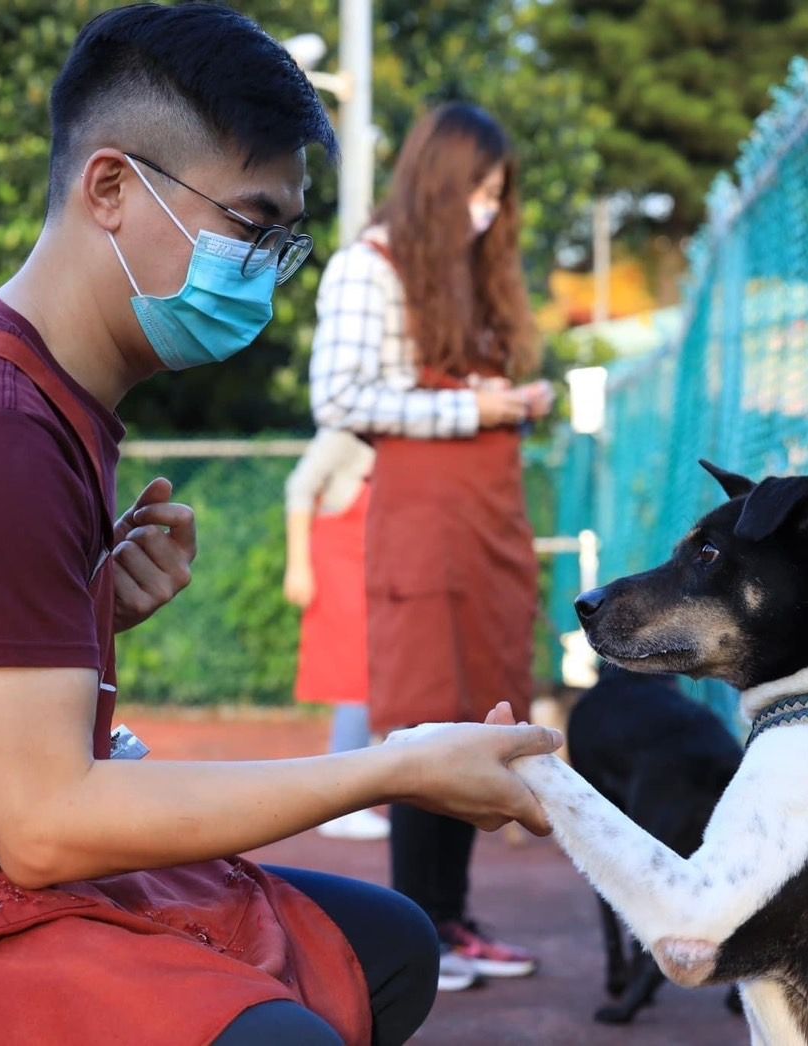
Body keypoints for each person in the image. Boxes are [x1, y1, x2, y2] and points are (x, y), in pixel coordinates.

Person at [0, 8, 560, 1045]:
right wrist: (393, 765)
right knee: (280, 1030)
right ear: (110, 187)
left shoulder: (32, 392)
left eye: (284, 239)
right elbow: (48, 823)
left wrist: (88, 607)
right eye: (249, 224)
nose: (265, 269)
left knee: (382, 943)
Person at [310, 103, 555, 995]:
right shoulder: (368, 268)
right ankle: (419, 928)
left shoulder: (469, 276)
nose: (488, 211)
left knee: (482, 708)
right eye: (477, 191)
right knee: (425, 712)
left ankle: (451, 918)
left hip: (486, 522)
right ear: (439, 182)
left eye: (499, 196)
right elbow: (339, 396)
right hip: (420, 522)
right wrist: (472, 408)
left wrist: (510, 398)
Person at [283, 429, 388, 841]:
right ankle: (343, 804)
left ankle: (357, 792)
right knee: (354, 670)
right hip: (338, 557)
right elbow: (299, 488)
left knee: (371, 670)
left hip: (368, 559)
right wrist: (298, 564)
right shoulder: (343, 431)